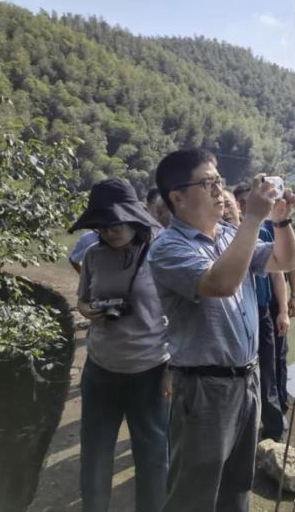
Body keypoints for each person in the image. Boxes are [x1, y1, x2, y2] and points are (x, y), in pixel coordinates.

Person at [148, 149, 295, 512]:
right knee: (194, 494)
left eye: (219, 180)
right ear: (178, 197)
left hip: (246, 380)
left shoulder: (230, 233)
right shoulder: (168, 247)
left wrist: (279, 221)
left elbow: (284, 260)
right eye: (207, 182)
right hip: (204, 388)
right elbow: (222, 282)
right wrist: (253, 219)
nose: (218, 189)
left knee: (236, 488)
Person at [70, 178, 169, 512]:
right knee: (95, 454)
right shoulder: (94, 255)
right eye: (101, 225)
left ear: (134, 218)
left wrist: (175, 368)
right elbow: (82, 300)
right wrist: (90, 312)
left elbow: (184, 313)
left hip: (151, 371)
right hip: (101, 370)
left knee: (153, 456)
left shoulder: (161, 252)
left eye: (115, 223)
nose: (109, 231)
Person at [227, 185, 289, 441]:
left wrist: (284, 309)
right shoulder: (218, 237)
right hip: (233, 314)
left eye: (236, 205)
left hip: (262, 310)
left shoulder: (261, 231)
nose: (237, 208)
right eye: (236, 203)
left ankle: (274, 430)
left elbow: (280, 272)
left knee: (269, 370)